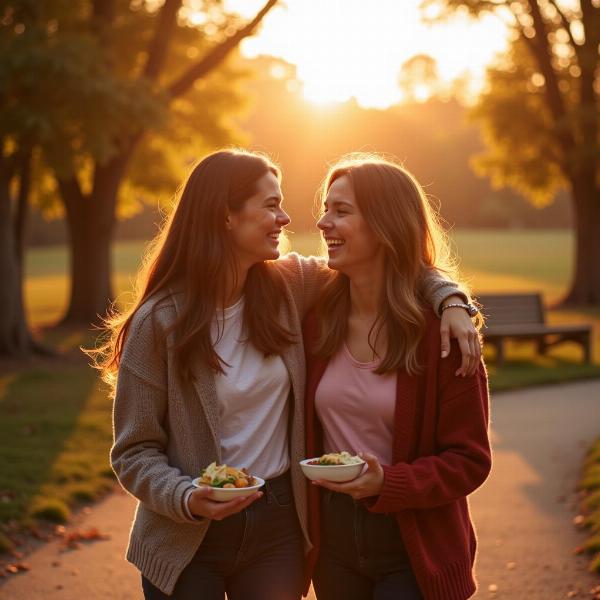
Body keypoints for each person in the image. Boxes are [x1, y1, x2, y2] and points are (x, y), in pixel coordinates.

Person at [90, 149, 479, 600]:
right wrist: (186, 497)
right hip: (184, 534)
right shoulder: (158, 322)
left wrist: (451, 301)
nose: (287, 217)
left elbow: (393, 262)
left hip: (278, 530)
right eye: (270, 205)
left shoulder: (289, 288)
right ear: (227, 217)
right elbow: (134, 451)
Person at [303, 154, 491, 600]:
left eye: (341, 211)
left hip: (413, 545)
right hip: (333, 542)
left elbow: (470, 459)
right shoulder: (315, 317)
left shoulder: (443, 335)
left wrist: (389, 483)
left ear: (386, 223)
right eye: (326, 209)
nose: (323, 222)